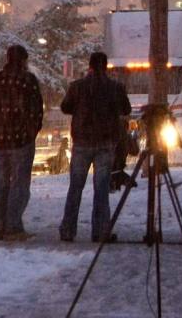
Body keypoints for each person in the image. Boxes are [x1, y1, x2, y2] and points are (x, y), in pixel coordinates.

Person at [58, 51, 131, 243]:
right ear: (105, 66)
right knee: (101, 188)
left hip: (82, 141)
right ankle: (100, 231)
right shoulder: (115, 88)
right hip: (105, 143)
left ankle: (68, 229)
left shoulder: (77, 87)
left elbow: (65, 107)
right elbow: (126, 109)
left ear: (89, 66)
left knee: (75, 187)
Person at [0, 44, 43, 241]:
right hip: (20, 141)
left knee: (0, 184)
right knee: (19, 184)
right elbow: (35, 110)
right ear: (24, 60)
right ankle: (13, 226)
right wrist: (31, 132)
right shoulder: (28, 80)